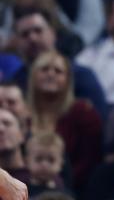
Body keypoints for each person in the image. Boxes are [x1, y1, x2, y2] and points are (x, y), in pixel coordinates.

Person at [26, 50, 102, 191]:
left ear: (68, 79)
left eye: (58, 71)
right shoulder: (21, 114)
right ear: (33, 76)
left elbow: (89, 160)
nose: (51, 74)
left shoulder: (83, 112)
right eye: (44, 69)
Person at [24, 132, 66, 197]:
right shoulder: (22, 190)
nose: (44, 165)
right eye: (39, 159)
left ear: (61, 164)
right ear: (27, 161)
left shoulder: (64, 194)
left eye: (51, 160)